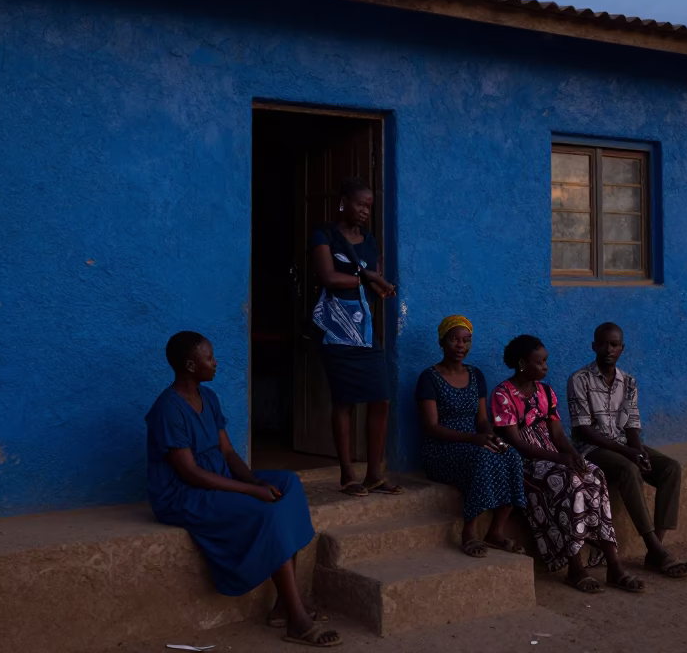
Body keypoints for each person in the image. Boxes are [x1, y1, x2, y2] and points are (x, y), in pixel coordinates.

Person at [145, 331, 341, 648]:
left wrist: (255, 482)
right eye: (209, 358)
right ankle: (297, 617)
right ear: (191, 364)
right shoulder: (168, 409)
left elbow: (228, 453)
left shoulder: (208, 397)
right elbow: (190, 473)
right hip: (181, 494)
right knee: (266, 511)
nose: (216, 362)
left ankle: (282, 605)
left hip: (217, 477)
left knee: (287, 483)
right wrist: (250, 493)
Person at [492, 334, 645, 594]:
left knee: (594, 475)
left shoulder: (545, 391)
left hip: (553, 456)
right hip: (526, 463)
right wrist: (559, 460)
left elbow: (558, 435)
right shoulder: (503, 395)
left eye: (546, 362)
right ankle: (575, 568)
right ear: (521, 363)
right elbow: (517, 443)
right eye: (540, 362)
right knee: (570, 482)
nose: (545, 367)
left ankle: (614, 565)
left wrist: (574, 457)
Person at [568, 322, 687, 579]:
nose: (608, 349)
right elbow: (582, 430)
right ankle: (655, 548)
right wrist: (629, 455)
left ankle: (654, 550)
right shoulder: (579, 379)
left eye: (614, 345)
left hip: (623, 444)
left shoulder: (629, 381)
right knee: (628, 469)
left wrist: (639, 452)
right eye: (602, 343)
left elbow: (632, 423)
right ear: (593, 346)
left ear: (622, 349)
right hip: (592, 449)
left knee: (671, 468)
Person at [310, 176, 401, 498]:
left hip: (365, 330)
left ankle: (374, 473)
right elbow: (329, 277)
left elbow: (374, 280)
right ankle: (348, 473)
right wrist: (368, 277)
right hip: (336, 330)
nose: (364, 210)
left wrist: (382, 285)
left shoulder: (369, 239)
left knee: (382, 399)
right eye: (360, 204)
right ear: (343, 202)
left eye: (369, 206)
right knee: (344, 401)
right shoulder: (324, 234)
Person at [416, 315, 527, 558]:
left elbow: (482, 421)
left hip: (474, 443)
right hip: (441, 449)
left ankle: (495, 532)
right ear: (442, 342)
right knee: (482, 459)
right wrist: (474, 440)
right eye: (454, 340)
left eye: (466, 340)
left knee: (512, 457)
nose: (460, 346)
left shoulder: (476, 375)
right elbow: (431, 427)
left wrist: (491, 438)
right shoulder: (429, 378)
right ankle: (469, 531)